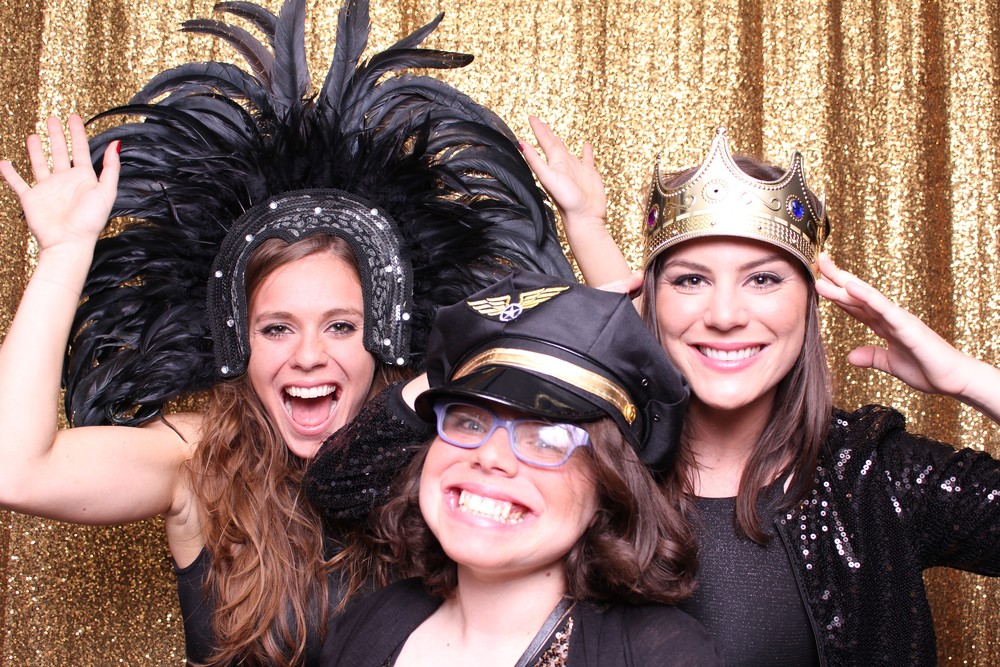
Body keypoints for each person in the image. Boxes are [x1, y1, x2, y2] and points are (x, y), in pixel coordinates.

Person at [0, 0, 573, 664]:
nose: (307, 356)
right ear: (237, 341)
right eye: (276, 328)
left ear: (386, 336)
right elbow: (15, 469)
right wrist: (66, 251)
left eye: (340, 326)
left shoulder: (443, 456)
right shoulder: (196, 461)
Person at [520, 120, 1000, 665]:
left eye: (764, 279)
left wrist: (966, 378)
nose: (725, 315)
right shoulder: (585, 467)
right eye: (691, 280)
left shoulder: (873, 478)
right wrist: (583, 236)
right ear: (651, 299)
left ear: (810, 303)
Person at [317, 271, 723, 667]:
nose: (491, 456)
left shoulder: (660, 654)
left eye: (545, 440)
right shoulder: (364, 625)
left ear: (609, 486)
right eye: (469, 422)